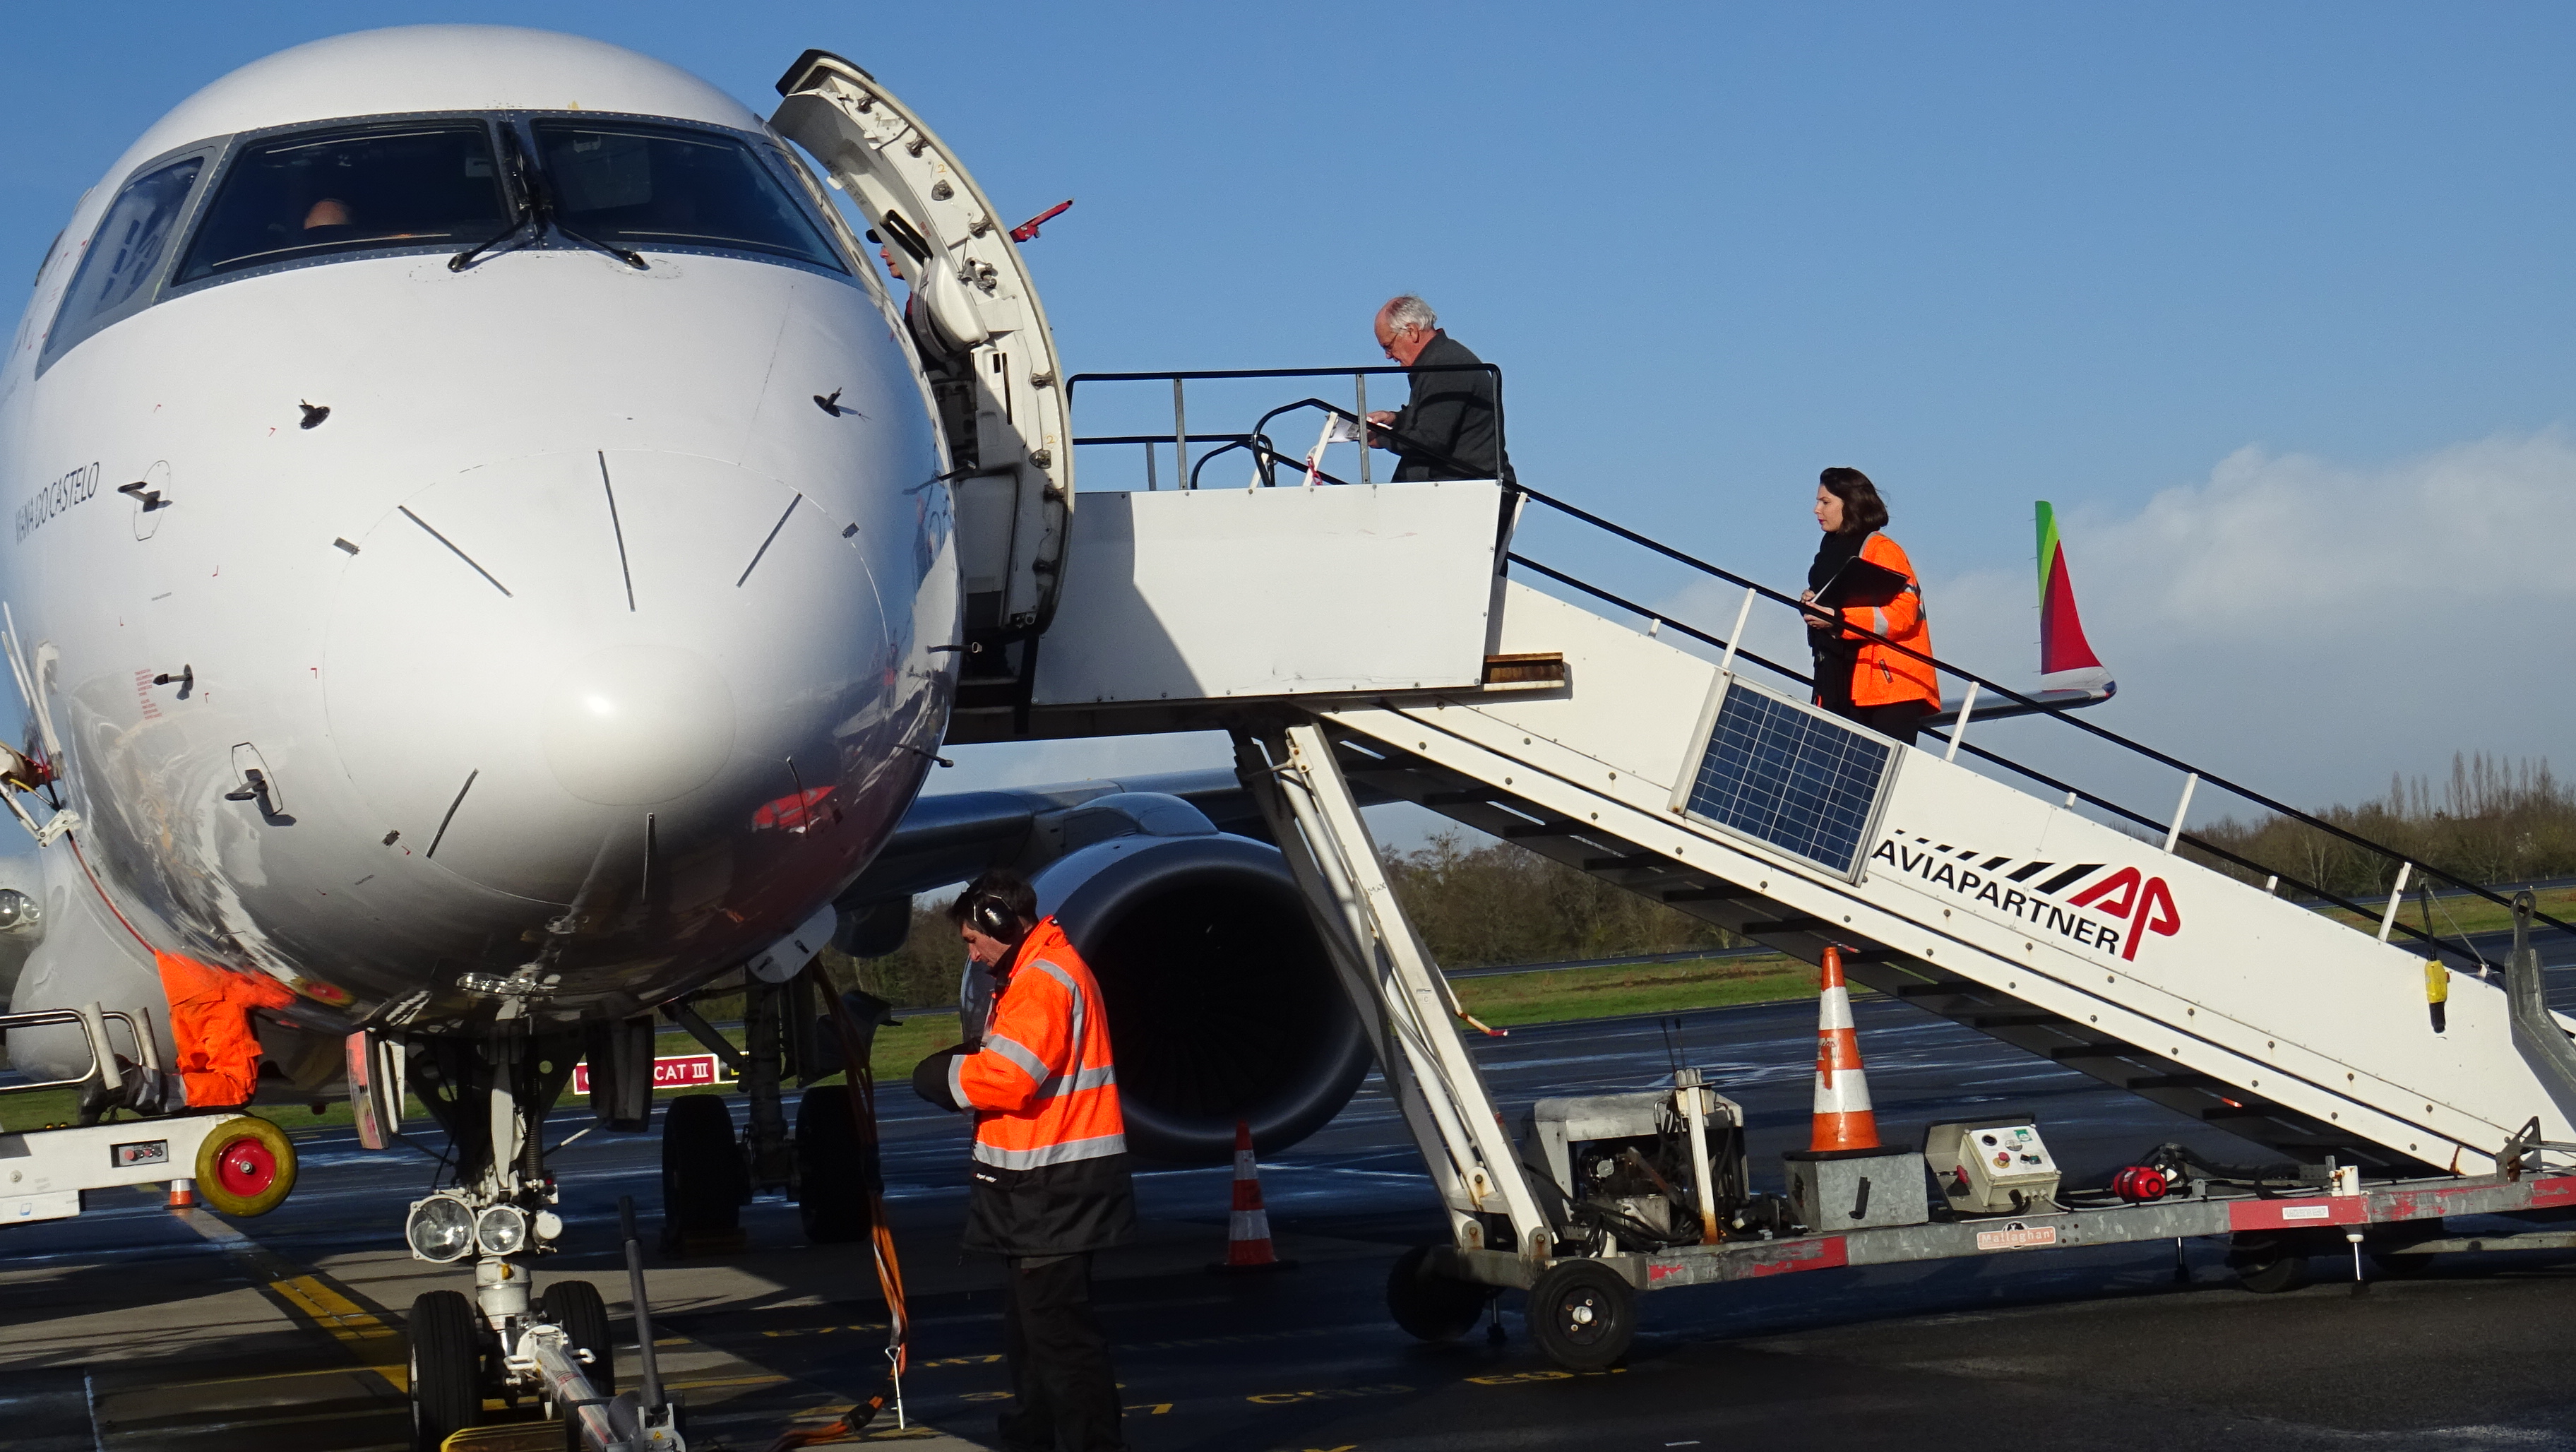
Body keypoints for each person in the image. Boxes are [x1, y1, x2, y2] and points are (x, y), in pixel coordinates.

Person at [912, 870, 1133, 1452]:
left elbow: (1010, 1078)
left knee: (1060, 1341)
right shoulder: (1035, 974)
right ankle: (1031, 1437)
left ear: (1000, 923)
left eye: (972, 940)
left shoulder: (1041, 980)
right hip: (1041, 1191)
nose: (972, 954)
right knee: (1033, 1338)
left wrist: (944, 1077)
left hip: (1052, 1192)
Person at [1802, 466, 1939, 744]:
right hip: (1847, 681)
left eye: (1825, 502)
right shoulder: (1830, 552)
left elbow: (1904, 614)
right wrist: (1813, 603)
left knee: (1880, 767)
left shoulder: (1882, 549)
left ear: (1850, 504)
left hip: (1890, 685)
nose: (1817, 510)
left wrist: (1838, 620)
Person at [1364, 294, 1515, 484]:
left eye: (1388, 346)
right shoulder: (1442, 361)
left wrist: (1382, 438)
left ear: (1412, 331)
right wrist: (1395, 420)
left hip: (1466, 488)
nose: (1388, 356)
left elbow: (1430, 440)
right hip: (1459, 486)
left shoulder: (1446, 366)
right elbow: (1437, 417)